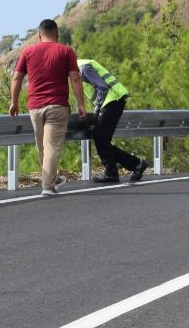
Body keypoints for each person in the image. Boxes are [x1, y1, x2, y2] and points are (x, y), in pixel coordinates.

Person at [9, 19, 86, 197]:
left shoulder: (28, 51)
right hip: (57, 106)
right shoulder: (66, 51)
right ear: (56, 33)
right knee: (49, 148)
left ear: (39, 34)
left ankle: (51, 179)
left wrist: (14, 102)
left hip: (35, 107)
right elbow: (75, 79)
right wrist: (81, 104)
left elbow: (16, 79)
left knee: (43, 147)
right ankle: (48, 186)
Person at [77, 58, 145, 184]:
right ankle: (135, 165)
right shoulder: (80, 68)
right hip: (113, 102)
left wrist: (96, 111)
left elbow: (102, 87)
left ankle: (113, 172)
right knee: (102, 139)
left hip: (112, 101)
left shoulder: (83, 68)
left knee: (99, 136)